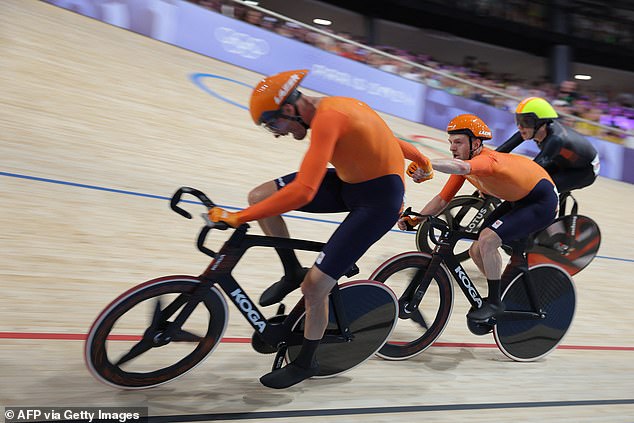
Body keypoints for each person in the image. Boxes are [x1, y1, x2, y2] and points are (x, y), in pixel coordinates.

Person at [208, 69, 433, 389]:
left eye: (273, 124)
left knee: (315, 287)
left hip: (378, 201)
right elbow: (385, 138)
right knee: (260, 197)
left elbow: (304, 191)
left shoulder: (329, 117)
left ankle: (306, 362)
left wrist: (239, 217)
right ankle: (291, 271)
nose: (275, 133)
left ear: (289, 109)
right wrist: (421, 158)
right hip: (350, 182)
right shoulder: (330, 110)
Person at [401, 114, 559, 323]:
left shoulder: (486, 159)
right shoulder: (464, 164)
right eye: (450, 142)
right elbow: (442, 200)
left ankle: (494, 302)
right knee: (476, 249)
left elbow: (463, 168)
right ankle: (501, 292)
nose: (452, 148)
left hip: (542, 202)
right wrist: (417, 218)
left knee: (487, 240)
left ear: (476, 143)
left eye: (458, 142)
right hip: (519, 199)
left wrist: (427, 163)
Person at [496, 97, 600, 195]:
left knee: (538, 191)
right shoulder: (530, 129)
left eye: (526, 121)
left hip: (584, 171)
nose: (520, 126)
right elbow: (504, 148)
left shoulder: (556, 139)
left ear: (541, 123)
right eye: (518, 120)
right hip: (563, 161)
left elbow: (532, 170)